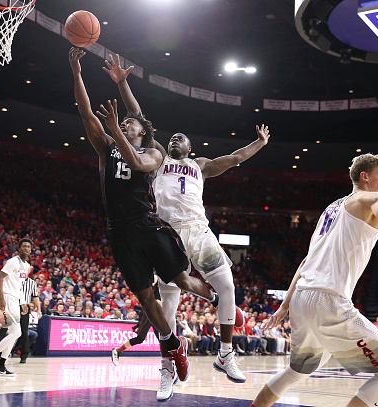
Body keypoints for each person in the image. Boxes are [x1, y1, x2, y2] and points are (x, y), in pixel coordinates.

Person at [102, 54, 267, 387]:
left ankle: (225, 354)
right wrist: (122, 83)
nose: (175, 138)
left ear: (191, 147)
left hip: (199, 233)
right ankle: (167, 370)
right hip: (166, 234)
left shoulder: (201, 165)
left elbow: (234, 159)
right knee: (169, 308)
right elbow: (139, 119)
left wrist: (259, 143)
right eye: (172, 136)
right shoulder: (157, 157)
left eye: (182, 137)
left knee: (227, 286)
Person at [69, 47, 220, 402]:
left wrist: (121, 119)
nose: (125, 123)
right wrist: (76, 72)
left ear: (143, 131)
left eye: (130, 123)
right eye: (123, 123)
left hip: (148, 224)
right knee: (146, 298)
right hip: (118, 231)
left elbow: (138, 165)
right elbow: (85, 111)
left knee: (181, 280)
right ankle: (172, 346)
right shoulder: (107, 146)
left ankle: (219, 299)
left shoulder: (155, 153)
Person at [252, 154, 378, 407]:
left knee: (297, 370)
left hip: (302, 297)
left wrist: (285, 306)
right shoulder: (372, 198)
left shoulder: (331, 208)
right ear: (365, 176)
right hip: (328, 299)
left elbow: (307, 260)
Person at [0, 238, 36, 373]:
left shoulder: (26, 266)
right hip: (6, 297)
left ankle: (1, 364)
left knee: (13, 333)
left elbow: (20, 285)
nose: (26, 248)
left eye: (28, 247)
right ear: (19, 248)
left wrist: (23, 301)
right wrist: (1, 297)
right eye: (24, 246)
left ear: (31, 250)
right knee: (17, 332)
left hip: (16, 299)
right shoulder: (13, 261)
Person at [112, 279, 161, 366]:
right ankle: (118, 350)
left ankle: (168, 361)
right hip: (149, 311)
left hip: (157, 312)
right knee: (140, 338)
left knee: (162, 338)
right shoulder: (157, 278)